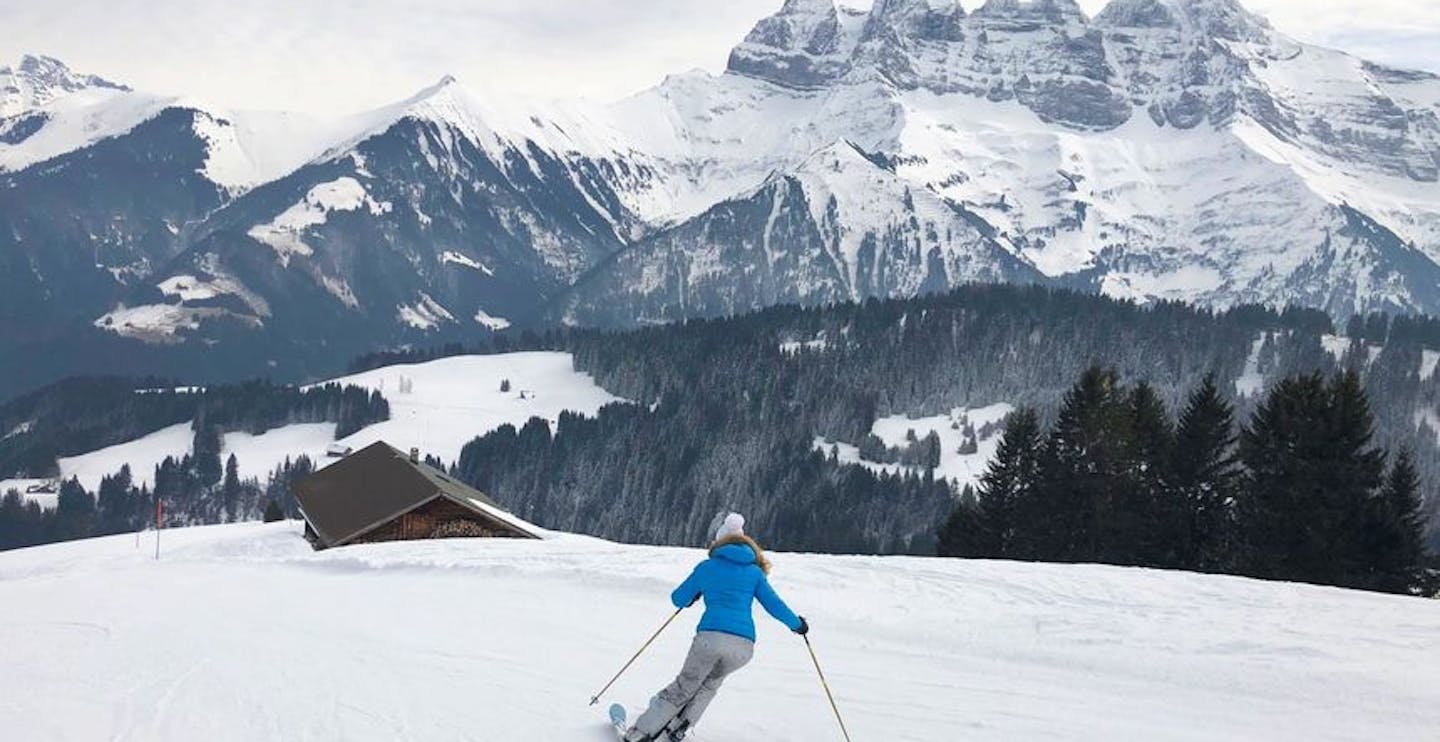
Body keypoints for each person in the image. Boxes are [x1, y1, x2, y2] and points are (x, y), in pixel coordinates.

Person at [624, 512, 808, 742]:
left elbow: (678, 598)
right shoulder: (755, 573)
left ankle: (640, 733)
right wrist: (798, 625)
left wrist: (694, 596)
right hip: (743, 647)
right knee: (709, 685)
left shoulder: (707, 567)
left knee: (685, 685)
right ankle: (677, 731)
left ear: (719, 542)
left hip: (710, 639)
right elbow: (775, 605)